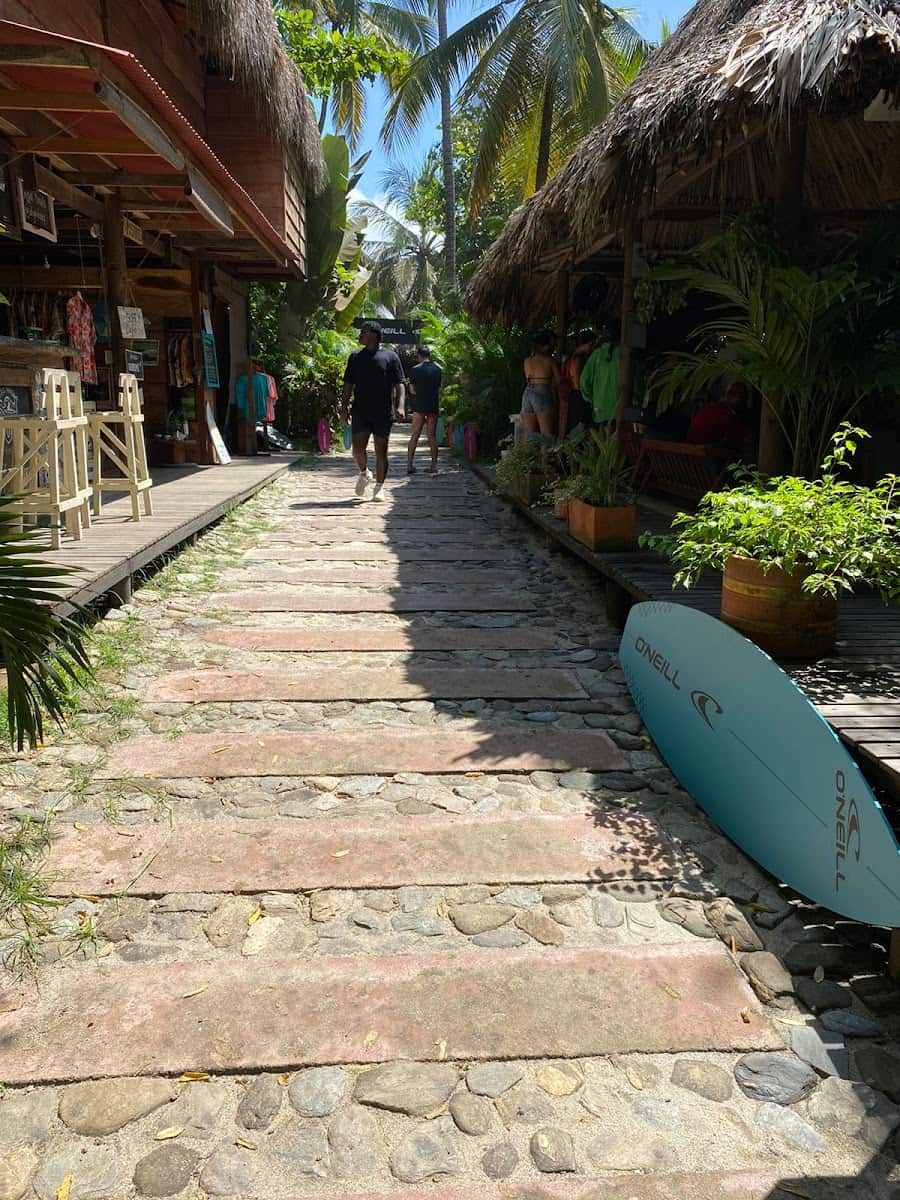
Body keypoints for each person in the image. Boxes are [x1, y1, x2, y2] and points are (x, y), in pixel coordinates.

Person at [341, 320, 405, 502]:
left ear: (373, 335)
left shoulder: (390, 357)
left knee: (381, 451)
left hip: (383, 411)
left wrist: (400, 406)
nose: (360, 335)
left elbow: (400, 384)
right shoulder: (355, 357)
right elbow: (347, 385)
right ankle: (364, 472)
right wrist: (344, 409)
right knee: (357, 451)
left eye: (363, 332)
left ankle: (379, 487)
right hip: (360, 410)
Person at [406, 345, 442, 475]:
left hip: (419, 407)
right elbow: (438, 388)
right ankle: (433, 466)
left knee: (414, 435)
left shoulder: (415, 370)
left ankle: (410, 465)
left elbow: (412, 390)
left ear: (419, 356)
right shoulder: (438, 370)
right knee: (431, 436)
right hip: (433, 406)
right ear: (429, 355)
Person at [687, 382, 753, 450]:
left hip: (689, 453)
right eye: (744, 399)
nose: (745, 403)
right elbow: (740, 436)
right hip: (704, 454)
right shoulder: (726, 414)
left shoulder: (710, 408)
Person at [521, 331, 559, 438]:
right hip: (542, 391)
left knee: (529, 435)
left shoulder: (527, 361)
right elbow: (559, 381)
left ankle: (525, 455)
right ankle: (545, 455)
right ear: (546, 346)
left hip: (528, 392)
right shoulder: (550, 361)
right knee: (546, 436)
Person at [559, 329, 595, 435]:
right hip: (578, 397)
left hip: (576, 397)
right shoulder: (577, 359)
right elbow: (577, 383)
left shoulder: (573, 357)